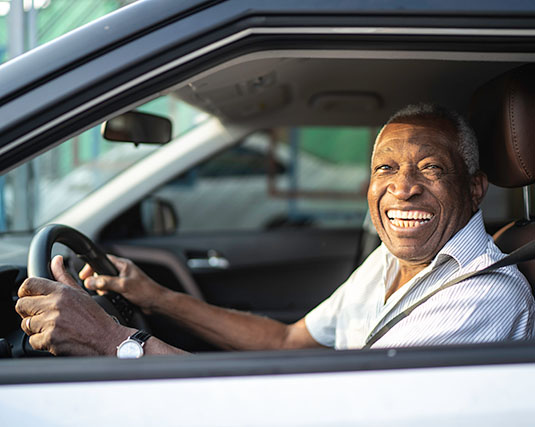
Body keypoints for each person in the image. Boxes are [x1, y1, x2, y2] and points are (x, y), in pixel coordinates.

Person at [15, 103, 534, 356]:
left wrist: (111, 338)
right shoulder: (394, 260)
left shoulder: (481, 294)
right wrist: (154, 296)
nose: (403, 189)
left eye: (431, 169)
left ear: (476, 189)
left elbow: (325, 412)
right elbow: (289, 340)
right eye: (385, 168)